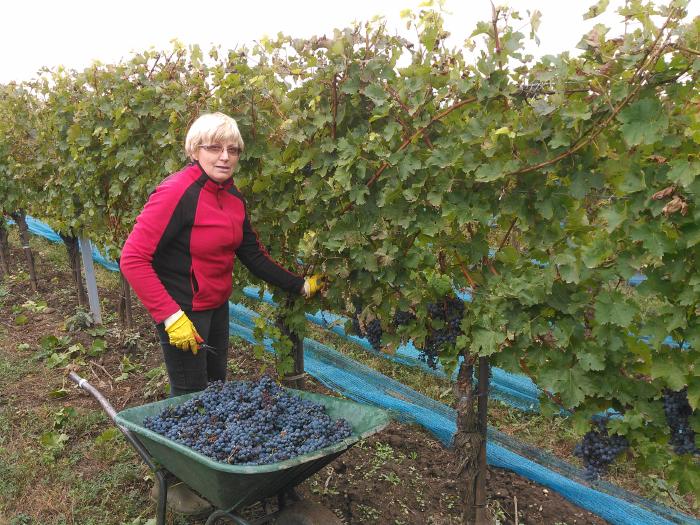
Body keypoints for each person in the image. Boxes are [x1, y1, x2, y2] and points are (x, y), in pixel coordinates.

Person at [119, 112, 323, 515]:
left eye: (233, 149)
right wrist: (170, 316)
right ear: (195, 150)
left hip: (216, 306)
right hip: (182, 310)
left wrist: (298, 284)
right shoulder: (176, 192)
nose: (225, 156)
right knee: (188, 396)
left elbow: (252, 254)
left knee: (215, 387)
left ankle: (207, 469)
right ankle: (174, 480)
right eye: (214, 147)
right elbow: (132, 258)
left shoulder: (233, 197)